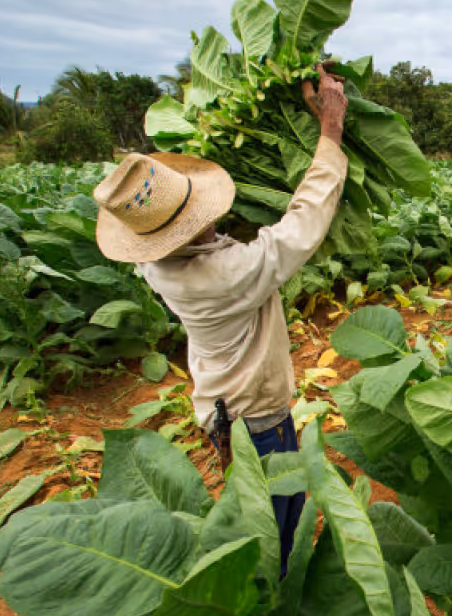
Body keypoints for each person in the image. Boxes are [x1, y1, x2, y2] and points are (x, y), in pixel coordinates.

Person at [90, 65, 349, 575]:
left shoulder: (154, 261)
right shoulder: (222, 274)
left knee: (265, 513)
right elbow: (301, 225)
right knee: (273, 530)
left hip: (223, 408)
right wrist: (330, 131)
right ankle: (266, 612)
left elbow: (217, 237)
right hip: (253, 420)